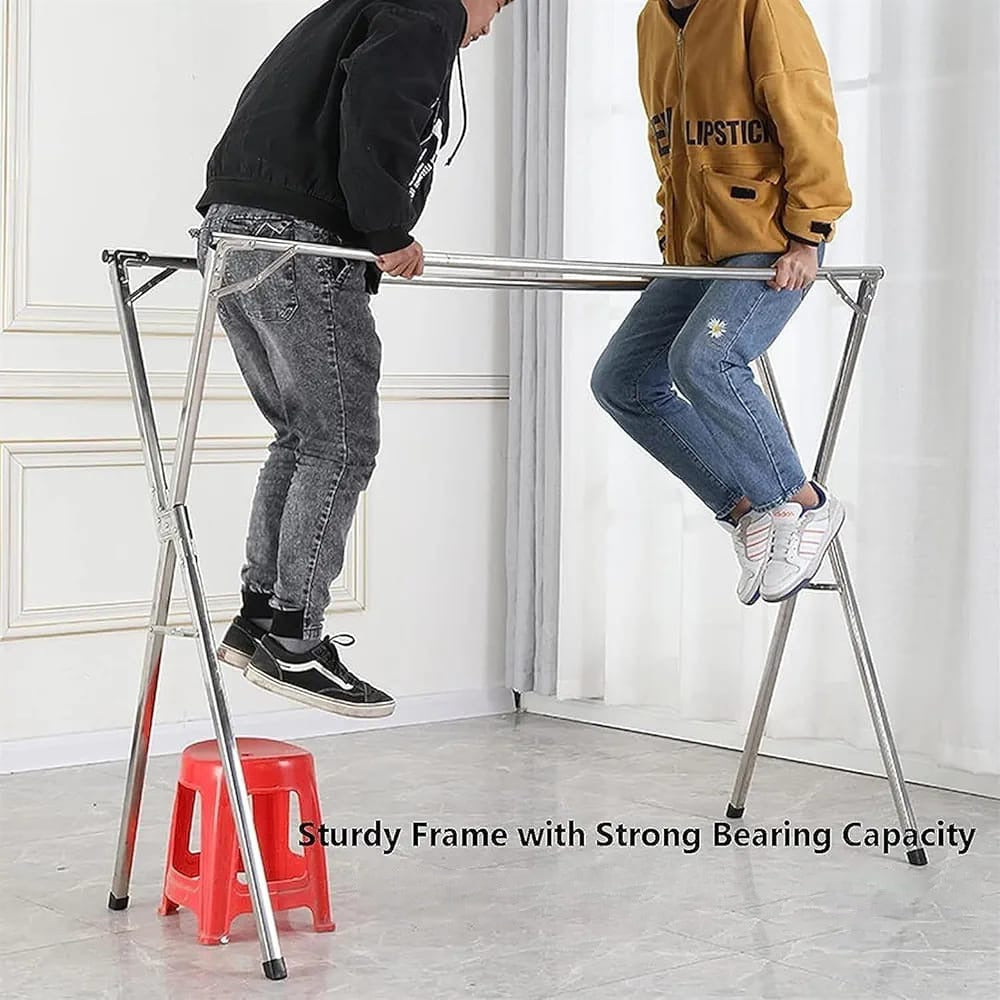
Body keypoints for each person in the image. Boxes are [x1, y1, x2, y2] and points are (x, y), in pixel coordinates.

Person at [194, 0, 513, 718]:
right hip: (297, 240)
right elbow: (379, 108)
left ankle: (260, 618)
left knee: (301, 439)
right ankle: (295, 642)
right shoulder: (424, 14)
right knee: (341, 445)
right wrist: (386, 229)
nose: (488, 28)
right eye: (498, 6)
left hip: (232, 233)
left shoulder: (359, 7)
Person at [591, 0, 852, 606]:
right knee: (621, 380)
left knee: (703, 360)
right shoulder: (652, 23)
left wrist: (808, 236)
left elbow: (807, 116)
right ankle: (747, 511)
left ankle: (803, 502)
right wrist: (671, 237)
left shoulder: (758, 7)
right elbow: (668, 146)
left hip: (770, 239)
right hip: (696, 249)